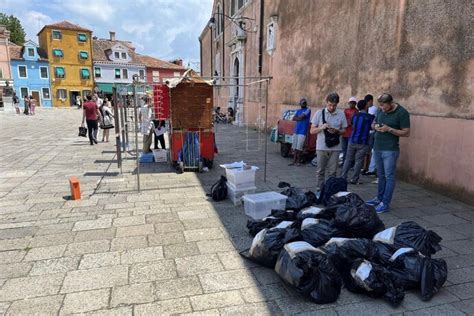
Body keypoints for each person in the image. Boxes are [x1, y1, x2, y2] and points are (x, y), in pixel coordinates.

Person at [367, 93, 410, 213]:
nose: (382, 108)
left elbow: (406, 132)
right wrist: (375, 127)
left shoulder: (402, 112)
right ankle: (379, 198)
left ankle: (385, 203)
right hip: (377, 147)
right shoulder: (380, 110)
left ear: (391, 103)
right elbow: (373, 123)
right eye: (380, 106)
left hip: (390, 149)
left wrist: (389, 129)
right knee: (380, 175)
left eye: (384, 106)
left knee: (389, 176)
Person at [310, 92, 347, 191]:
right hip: (321, 147)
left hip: (335, 147)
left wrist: (337, 131)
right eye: (330, 105)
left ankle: (330, 191)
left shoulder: (341, 113)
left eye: (334, 105)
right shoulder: (319, 113)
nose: (332, 107)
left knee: (333, 172)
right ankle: (319, 190)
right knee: (320, 171)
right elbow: (312, 131)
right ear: (326, 103)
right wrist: (321, 127)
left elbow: (344, 131)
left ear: (337, 104)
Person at [341, 99, 375, 184]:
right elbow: (372, 128)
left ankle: (343, 177)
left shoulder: (354, 115)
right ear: (366, 106)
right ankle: (354, 179)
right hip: (363, 142)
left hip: (352, 140)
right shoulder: (370, 117)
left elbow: (352, 125)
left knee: (348, 160)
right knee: (359, 161)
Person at [289, 98, 311, 166]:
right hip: (296, 130)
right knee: (295, 147)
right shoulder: (298, 110)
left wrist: (298, 118)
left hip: (303, 131)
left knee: (300, 147)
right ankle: (294, 161)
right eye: (302, 103)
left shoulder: (308, 110)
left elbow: (301, 117)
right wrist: (299, 118)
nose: (303, 104)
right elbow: (294, 118)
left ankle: (298, 161)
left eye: (304, 103)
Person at [362, 94, 378, 176]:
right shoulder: (366, 109)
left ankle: (371, 169)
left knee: (372, 151)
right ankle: (366, 168)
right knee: (366, 151)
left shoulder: (374, 109)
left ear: (371, 101)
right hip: (366, 132)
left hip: (371, 133)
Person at [341, 96, 358, 166]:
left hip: (351, 133)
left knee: (350, 150)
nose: (351, 104)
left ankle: (349, 163)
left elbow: (354, 122)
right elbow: (343, 120)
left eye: (353, 103)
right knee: (344, 149)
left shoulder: (356, 112)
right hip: (344, 132)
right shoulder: (346, 110)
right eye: (350, 103)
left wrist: (349, 123)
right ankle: (344, 162)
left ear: (355, 104)